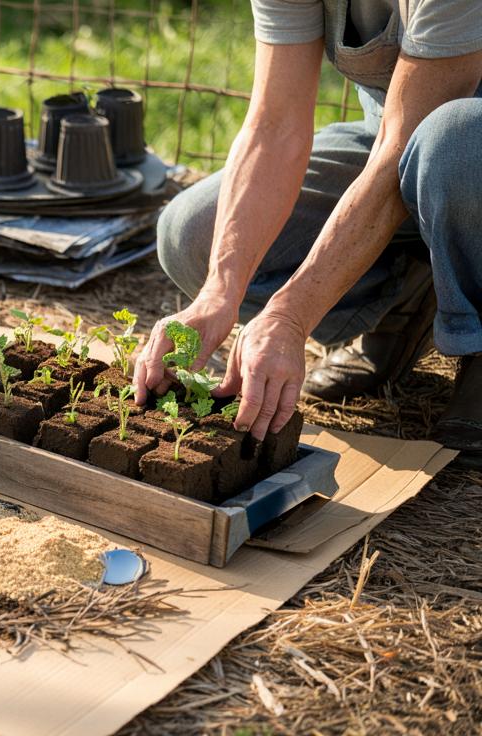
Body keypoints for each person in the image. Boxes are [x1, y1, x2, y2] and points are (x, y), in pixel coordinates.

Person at [134, 0, 482, 468]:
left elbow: (408, 139)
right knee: (192, 234)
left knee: (453, 144)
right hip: (394, 144)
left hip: (457, 149)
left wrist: (290, 316)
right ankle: (406, 293)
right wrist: (218, 293)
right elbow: (274, 125)